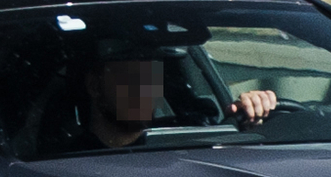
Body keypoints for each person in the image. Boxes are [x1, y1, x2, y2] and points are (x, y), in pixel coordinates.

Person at [83, 55, 277, 149]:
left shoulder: (184, 141)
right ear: (94, 85)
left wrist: (249, 120)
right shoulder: (68, 161)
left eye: (150, 74)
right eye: (130, 74)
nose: (144, 86)